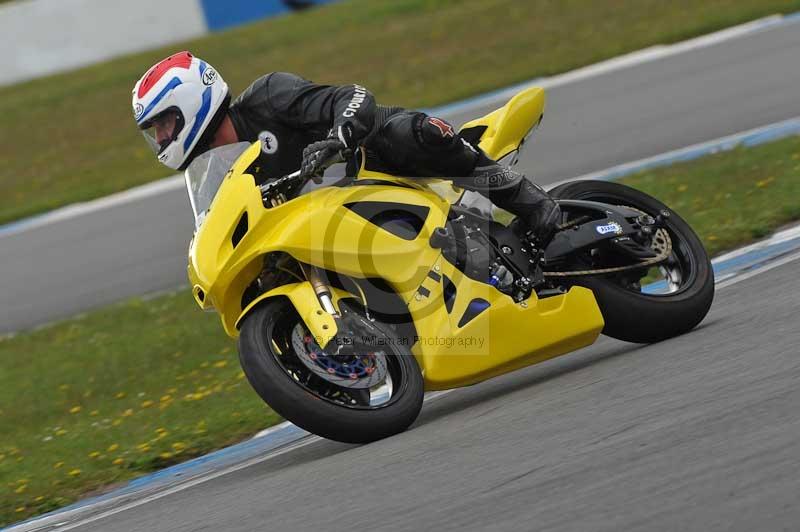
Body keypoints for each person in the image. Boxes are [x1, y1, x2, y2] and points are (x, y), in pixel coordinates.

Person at [132, 51, 560, 246]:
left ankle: (534, 203)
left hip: (376, 156)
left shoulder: (268, 95)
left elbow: (354, 97)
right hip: (340, 219)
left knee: (413, 134)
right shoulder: (214, 174)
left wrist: (337, 139)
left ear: (190, 101)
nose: (163, 138)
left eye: (164, 123)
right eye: (154, 131)